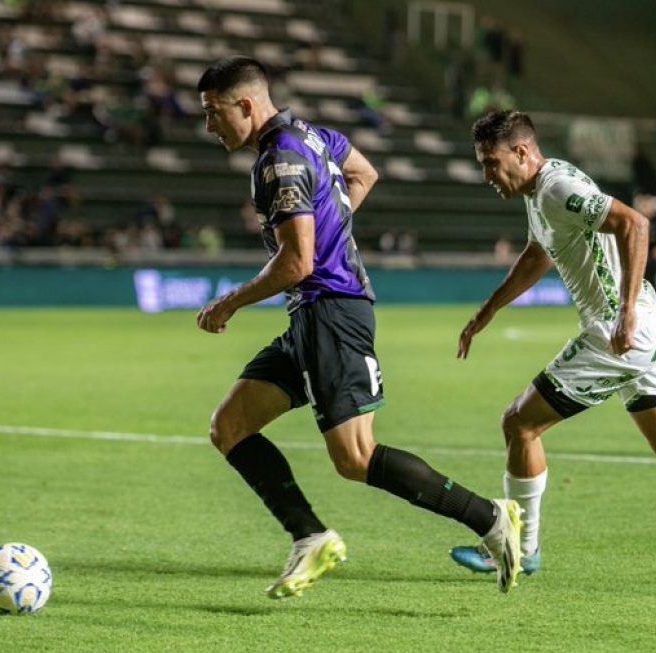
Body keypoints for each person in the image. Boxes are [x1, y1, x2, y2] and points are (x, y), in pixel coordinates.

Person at [195, 56, 522, 598]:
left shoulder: (279, 160)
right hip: (312, 314)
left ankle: (490, 518)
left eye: (213, 113)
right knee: (228, 426)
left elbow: (297, 263)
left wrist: (230, 302)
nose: (209, 126)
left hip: (331, 311)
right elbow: (363, 172)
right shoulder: (316, 136)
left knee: (356, 458)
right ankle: (309, 538)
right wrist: (332, 227)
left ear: (246, 106)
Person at [449, 109, 656, 580]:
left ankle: (517, 547)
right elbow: (538, 256)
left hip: (620, 331)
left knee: (519, 423)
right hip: (643, 326)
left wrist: (627, 309)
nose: (488, 175)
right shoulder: (540, 193)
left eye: (491, 163)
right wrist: (488, 311)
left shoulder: (557, 187)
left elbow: (634, 224)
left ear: (521, 152)